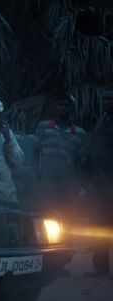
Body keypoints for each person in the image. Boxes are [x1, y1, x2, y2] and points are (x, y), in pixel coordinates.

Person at [33, 95, 86, 213]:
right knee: (46, 213)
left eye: (66, 106)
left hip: (68, 183)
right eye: (60, 105)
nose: (62, 108)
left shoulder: (79, 133)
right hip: (47, 181)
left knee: (67, 214)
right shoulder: (43, 126)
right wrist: (36, 174)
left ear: (71, 109)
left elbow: (79, 161)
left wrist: (78, 182)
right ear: (56, 107)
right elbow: (36, 151)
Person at [86, 89, 113, 277]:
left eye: (110, 100)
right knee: (99, 225)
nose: (106, 103)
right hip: (99, 183)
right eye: (104, 100)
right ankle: (101, 265)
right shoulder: (102, 120)